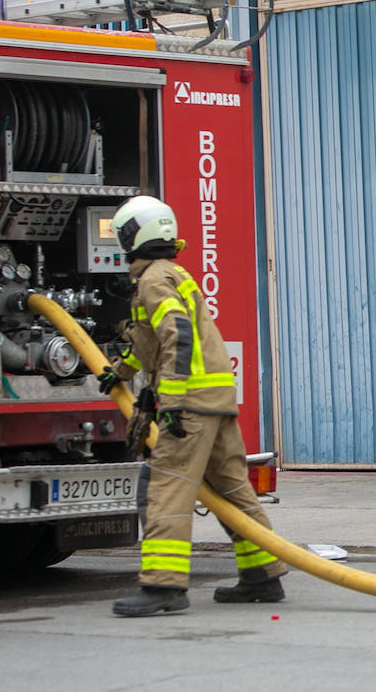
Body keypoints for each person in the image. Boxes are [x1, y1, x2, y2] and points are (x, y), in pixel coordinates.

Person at [100, 195, 287, 617]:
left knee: (164, 488)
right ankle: (262, 575)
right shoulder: (172, 273)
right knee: (232, 489)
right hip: (216, 400)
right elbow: (149, 339)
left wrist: (173, 401)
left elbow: (177, 336)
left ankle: (163, 587)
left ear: (134, 236)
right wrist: (120, 371)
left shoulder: (153, 279)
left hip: (190, 404)